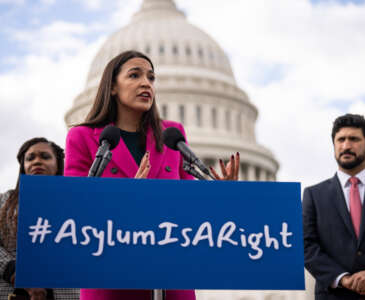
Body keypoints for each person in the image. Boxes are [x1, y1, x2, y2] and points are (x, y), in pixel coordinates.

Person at [64, 50, 240, 300]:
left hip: (170, 277)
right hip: (110, 277)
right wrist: (129, 197)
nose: (146, 83)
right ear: (112, 87)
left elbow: (189, 205)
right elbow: (73, 209)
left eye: (151, 77)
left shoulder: (172, 135)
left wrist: (220, 195)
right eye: (134, 75)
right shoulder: (83, 137)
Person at [303, 113, 365, 299]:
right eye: (340, 140)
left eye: (354, 139)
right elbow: (306, 246)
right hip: (335, 294)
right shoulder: (314, 195)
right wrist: (343, 279)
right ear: (334, 146)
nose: (346, 145)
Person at [0, 137, 79, 300]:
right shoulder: (3, 201)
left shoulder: (76, 202)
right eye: (30, 158)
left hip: (64, 291)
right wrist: (16, 273)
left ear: (58, 164)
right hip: (12, 290)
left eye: (45, 156)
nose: (37, 161)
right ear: (23, 166)